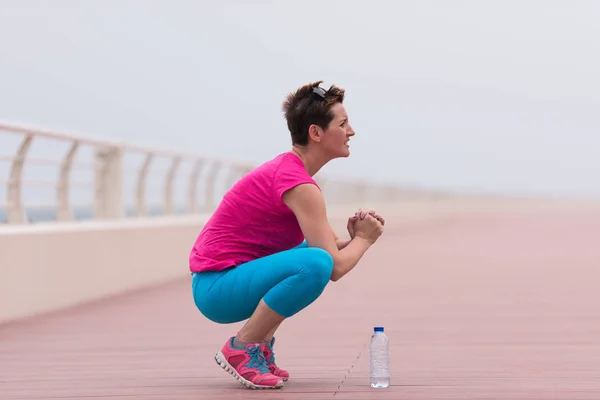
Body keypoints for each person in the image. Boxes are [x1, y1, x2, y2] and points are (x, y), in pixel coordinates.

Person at [189, 80, 385, 390]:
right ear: (315, 133)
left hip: (224, 281)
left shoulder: (292, 174)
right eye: (343, 123)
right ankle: (243, 347)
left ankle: (260, 346)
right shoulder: (299, 185)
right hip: (216, 287)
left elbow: (328, 246)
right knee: (315, 264)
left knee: (311, 255)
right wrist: (365, 240)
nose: (352, 131)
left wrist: (352, 238)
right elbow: (332, 267)